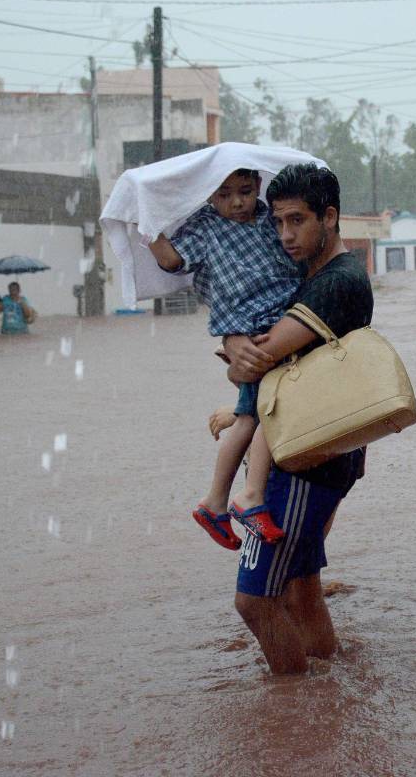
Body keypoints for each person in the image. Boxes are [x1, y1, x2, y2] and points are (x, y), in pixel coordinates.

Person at [222, 163, 373, 675]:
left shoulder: (337, 282)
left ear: (329, 217)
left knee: (254, 601)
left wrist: (233, 344)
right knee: (300, 587)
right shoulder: (316, 275)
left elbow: (258, 358)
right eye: (278, 222)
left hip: (303, 463)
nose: (285, 235)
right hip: (318, 451)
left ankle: (291, 703)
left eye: (297, 221)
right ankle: (328, 691)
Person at [146, 168, 301, 549]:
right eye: (224, 194)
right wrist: (145, 225)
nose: (236, 202)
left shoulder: (270, 218)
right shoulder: (205, 227)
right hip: (253, 332)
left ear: (258, 187)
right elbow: (171, 260)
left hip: (281, 322)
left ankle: (217, 502)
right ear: (208, 196)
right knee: (264, 414)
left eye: (245, 191)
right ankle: (246, 496)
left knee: (252, 416)